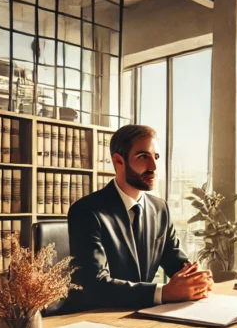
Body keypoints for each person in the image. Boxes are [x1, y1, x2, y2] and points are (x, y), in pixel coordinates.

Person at [64, 124, 212, 311]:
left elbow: (176, 262)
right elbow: (94, 286)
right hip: (93, 317)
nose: (154, 167)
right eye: (143, 157)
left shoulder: (160, 209)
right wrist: (163, 293)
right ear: (119, 161)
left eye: (156, 157)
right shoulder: (86, 211)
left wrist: (196, 279)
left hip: (142, 313)